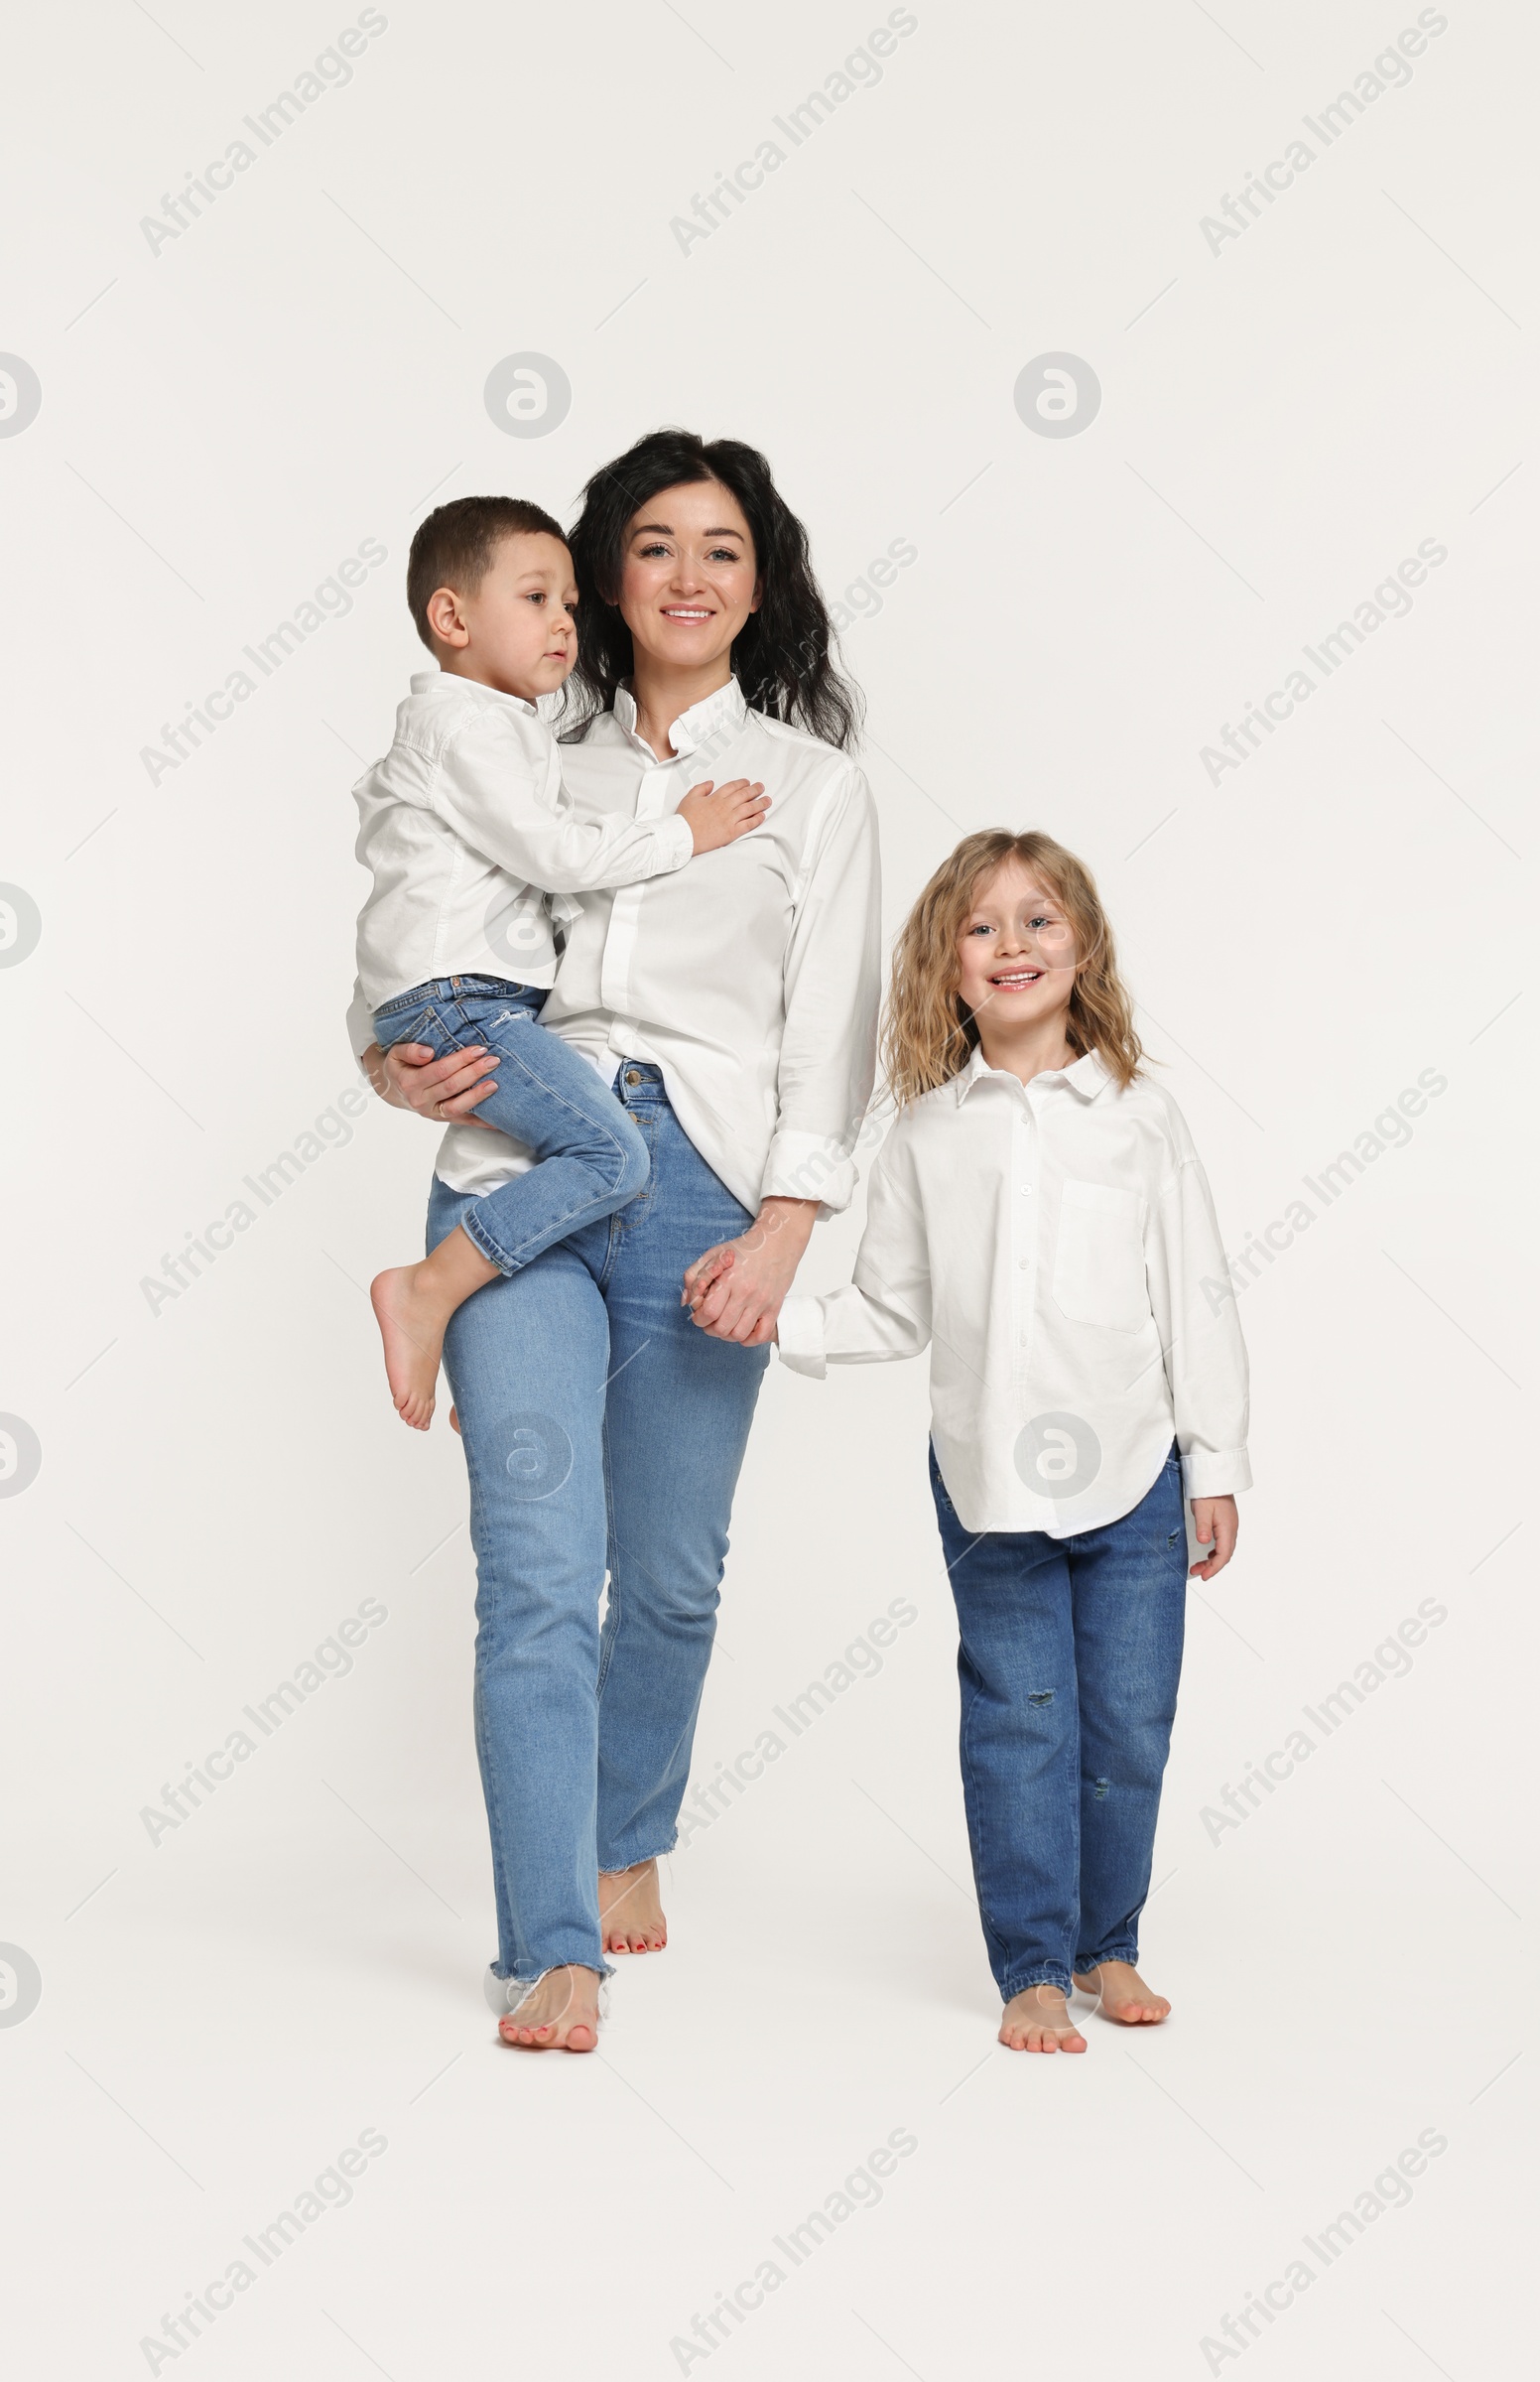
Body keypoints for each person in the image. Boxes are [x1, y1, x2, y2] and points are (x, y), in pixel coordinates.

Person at [351, 432, 880, 2051]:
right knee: (532, 1574)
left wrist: (787, 1229)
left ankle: (629, 1829)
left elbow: (835, 1026)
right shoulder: (517, 742)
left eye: (722, 548)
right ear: (601, 575)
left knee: (664, 1577)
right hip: (519, 1168)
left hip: (708, 1185)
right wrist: (387, 1059)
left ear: (760, 581)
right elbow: (420, 928)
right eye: (654, 545)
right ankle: (549, 1945)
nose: (688, 576)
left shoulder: (807, 786)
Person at [738, 830, 1251, 2055]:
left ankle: (1107, 1944)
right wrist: (775, 1319)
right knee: (1020, 1716)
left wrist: (1215, 1458)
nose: (1011, 944)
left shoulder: (1141, 1115)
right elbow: (891, 1308)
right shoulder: (926, 1135)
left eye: (1037, 920)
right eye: (982, 928)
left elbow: (1199, 1294)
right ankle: (1030, 1965)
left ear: (1082, 947)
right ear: (948, 967)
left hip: (1135, 1473)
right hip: (988, 1476)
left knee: (1128, 1722)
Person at [354, 494, 767, 1428]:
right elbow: (557, 857)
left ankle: (479, 1334)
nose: (563, 624)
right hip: (466, 1005)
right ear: (452, 619)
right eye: (537, 598)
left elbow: (395, 905)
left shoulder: (495, 731)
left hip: (456, 1003)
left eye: (571, 605)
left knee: (596, 1154)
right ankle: (428, 1293)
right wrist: (682, 832)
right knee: (609, 1152)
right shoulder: (469, 731)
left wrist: (378, 1043)